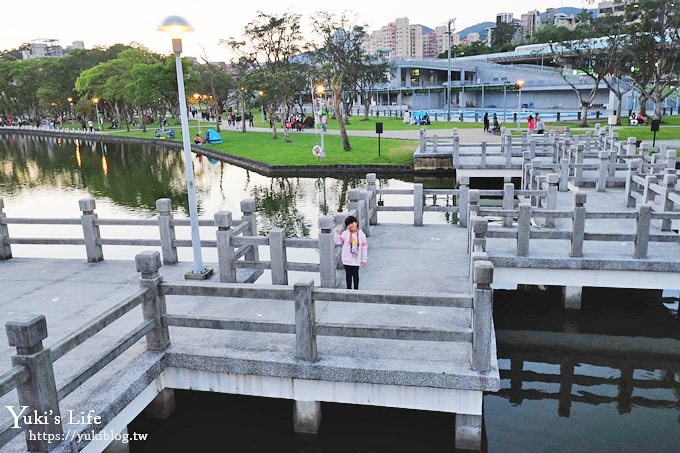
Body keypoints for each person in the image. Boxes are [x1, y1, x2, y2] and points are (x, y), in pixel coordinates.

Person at [334, 215, 368, 290]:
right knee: (348, 275)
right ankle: (348, 289)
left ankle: (356, 290)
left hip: (356, 259)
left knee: (355, 275)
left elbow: (364, 248)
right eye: (348, 224)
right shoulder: (345, 234)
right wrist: (337, 234)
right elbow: (338, 242)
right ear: (347, 226)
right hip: (347, 259)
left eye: (352, 223)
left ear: (356, 223)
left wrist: (364, 259)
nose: (351, 225)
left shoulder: (361, 235)